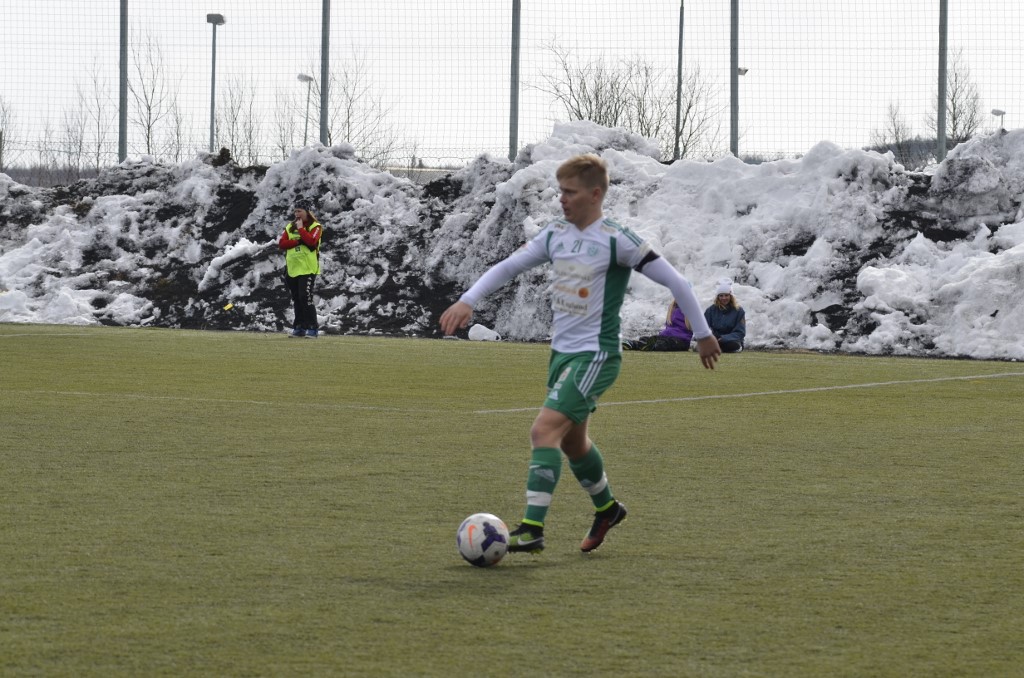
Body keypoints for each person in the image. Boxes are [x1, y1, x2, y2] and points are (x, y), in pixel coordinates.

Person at [439, 154, 721, 554]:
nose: (562, 199)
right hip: (562, 355)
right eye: (561, 191)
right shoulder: (555, 234)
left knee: (543, 431)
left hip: (596, 355)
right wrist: (468, 300)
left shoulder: (617, 240)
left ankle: (532, 529)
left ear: (595, 194)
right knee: (573, 444)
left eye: (570, 192)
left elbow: (679, 283)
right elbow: (509, 267)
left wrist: (704, 334)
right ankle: (607, 509)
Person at [278, 200, 323, 338]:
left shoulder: (316, 226)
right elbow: (282, 244)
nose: (297, 214)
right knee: (297, 298)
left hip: (307, 268)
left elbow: (311, 241)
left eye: (300, 211)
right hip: (293, 268)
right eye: (295, 211)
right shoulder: (290, 227)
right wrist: (297, 241)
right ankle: (299, 327)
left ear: (307, 212)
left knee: (305, 297)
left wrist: (301, 229)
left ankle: (312, 328)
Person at [622, 300, 693, 351]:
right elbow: (668, 326)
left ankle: (650, 346)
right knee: (647, 339)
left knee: (664, 344)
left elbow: (694, 328)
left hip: (681, 340)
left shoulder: (691, 308)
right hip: (666, 336)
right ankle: (632, 344)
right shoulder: (672, 307)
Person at [704, 279, 745, 353]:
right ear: (718, 297)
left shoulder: (739, 311)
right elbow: (704, 327)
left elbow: (740, 332)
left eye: (726, 295)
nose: (724, 298)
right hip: (715, 339)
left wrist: (724, 338)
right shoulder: (710, 310)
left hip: (732, 340)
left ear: (731, 296)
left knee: (732, 345)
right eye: (721, 296)